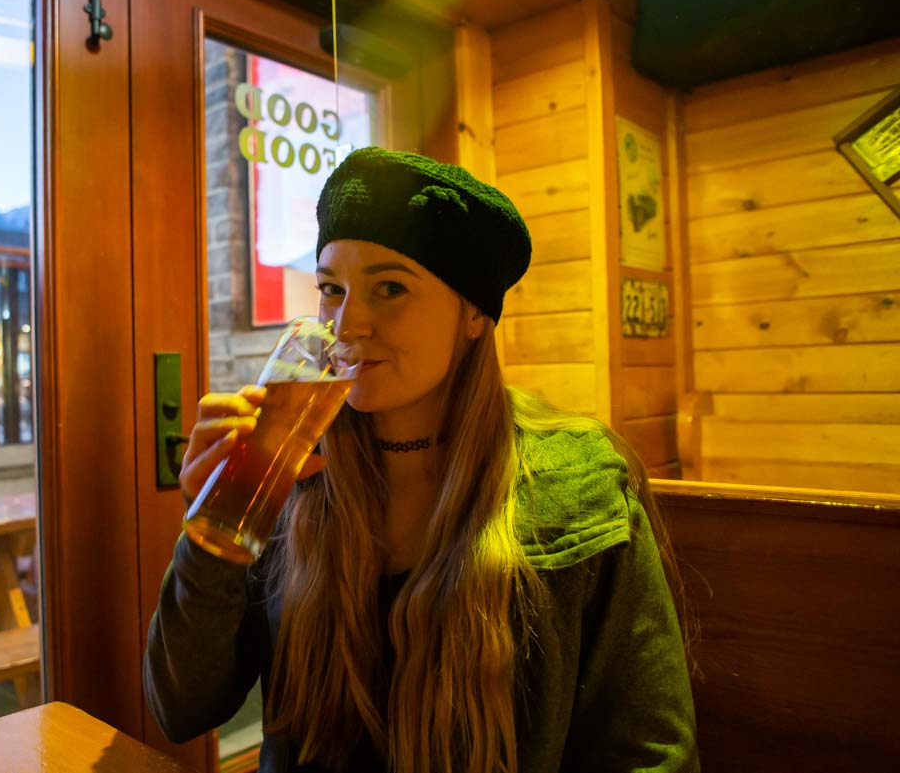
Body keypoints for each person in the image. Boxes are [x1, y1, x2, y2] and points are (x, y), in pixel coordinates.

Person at [145, 147, 699, 773]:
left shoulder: (575, 484)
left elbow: (649, 753)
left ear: (474, 313)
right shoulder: (292, 465)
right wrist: (211, 538)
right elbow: (181, 707)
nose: (347, 323)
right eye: (331, 289)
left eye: (390, 288)